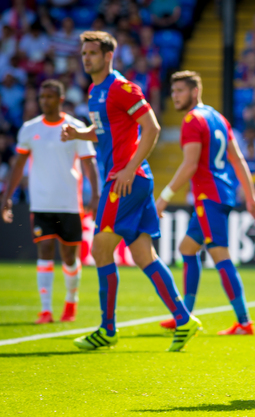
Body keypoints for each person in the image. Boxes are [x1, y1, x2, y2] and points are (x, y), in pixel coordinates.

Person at [61, 31, 201, 351]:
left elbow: (152, 127)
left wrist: (127, 167)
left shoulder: (121, 88)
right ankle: (183, 319)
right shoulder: (95, 90)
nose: (86, 58)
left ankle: (107, 329)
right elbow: (104, 132)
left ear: (108, 56)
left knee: (100, 250)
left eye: (92, 53)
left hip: (125, 178)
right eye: (84, 53)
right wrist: (79, 134)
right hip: (132, 177)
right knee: (141, 254)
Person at [155, 71, 255, 334]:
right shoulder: (218, 117)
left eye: (180, 91)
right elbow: (237, 160)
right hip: (221, 194)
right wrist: (250, 197)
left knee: (220, 255)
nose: (175, 96)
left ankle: (244, 321)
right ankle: (185, 315)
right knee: (187, 248)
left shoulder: (192, 120)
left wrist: (164, 197)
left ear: (195, 91)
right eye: (173, 91)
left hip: (208, 196)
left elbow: (190, 164)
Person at [1, 79, 99, 324]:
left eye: (50, 97)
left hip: (69, 204)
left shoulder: (75, 128)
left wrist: (95, 195)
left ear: (61, 99)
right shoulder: (29, 129)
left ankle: (70, 302)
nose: (44, 101)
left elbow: (89, 163)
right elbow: (18, 166)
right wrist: (6, 197)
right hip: (41, 203)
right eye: (42, 97)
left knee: (68, 257)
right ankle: (45, 310)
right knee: (44, 251)